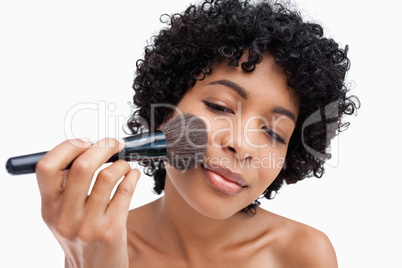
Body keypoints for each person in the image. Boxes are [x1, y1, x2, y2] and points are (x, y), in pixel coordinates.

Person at [35, 0, 359, 267]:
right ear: (165, 109)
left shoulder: (301, 254)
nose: (241, 145)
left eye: (274, 133)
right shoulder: (97, 243)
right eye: (219, 106)